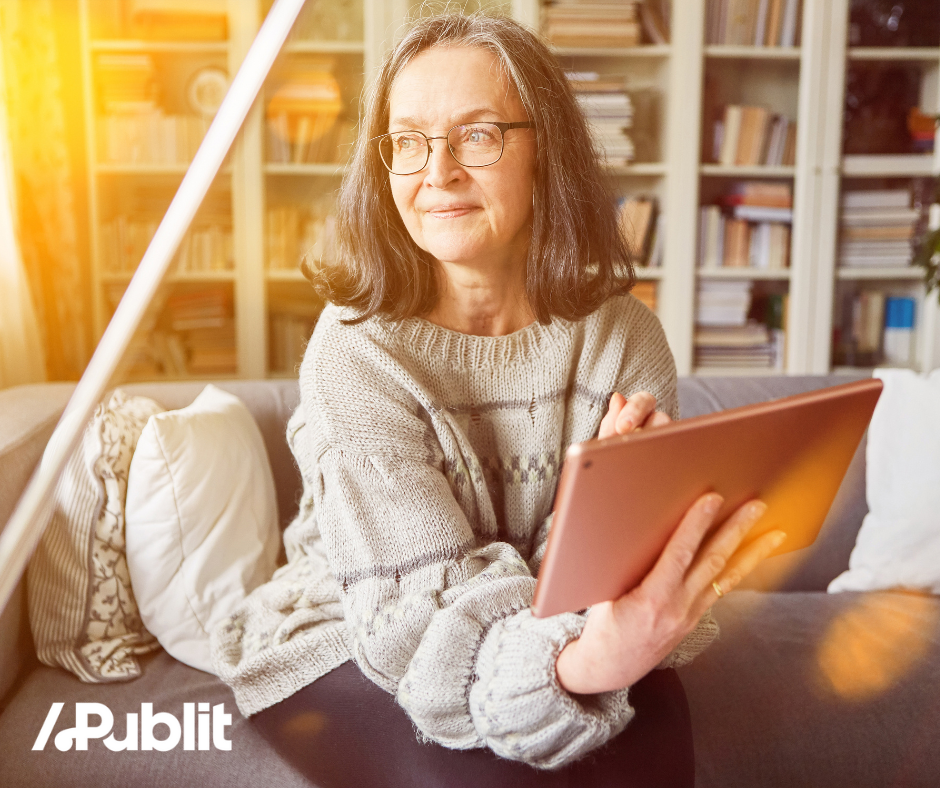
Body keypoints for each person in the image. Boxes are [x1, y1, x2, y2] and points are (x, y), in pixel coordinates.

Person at [211, 12, 784, 786]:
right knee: (493, 772)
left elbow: (617, 583)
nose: (436, 172)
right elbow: (421, 619)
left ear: (545, 151)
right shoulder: (354, 349)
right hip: (358, 628)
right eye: (407, 141)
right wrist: (584, 644)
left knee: (658, 733)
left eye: (477, 135)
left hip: (532, 622)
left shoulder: (622, 337)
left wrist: (600, 563)